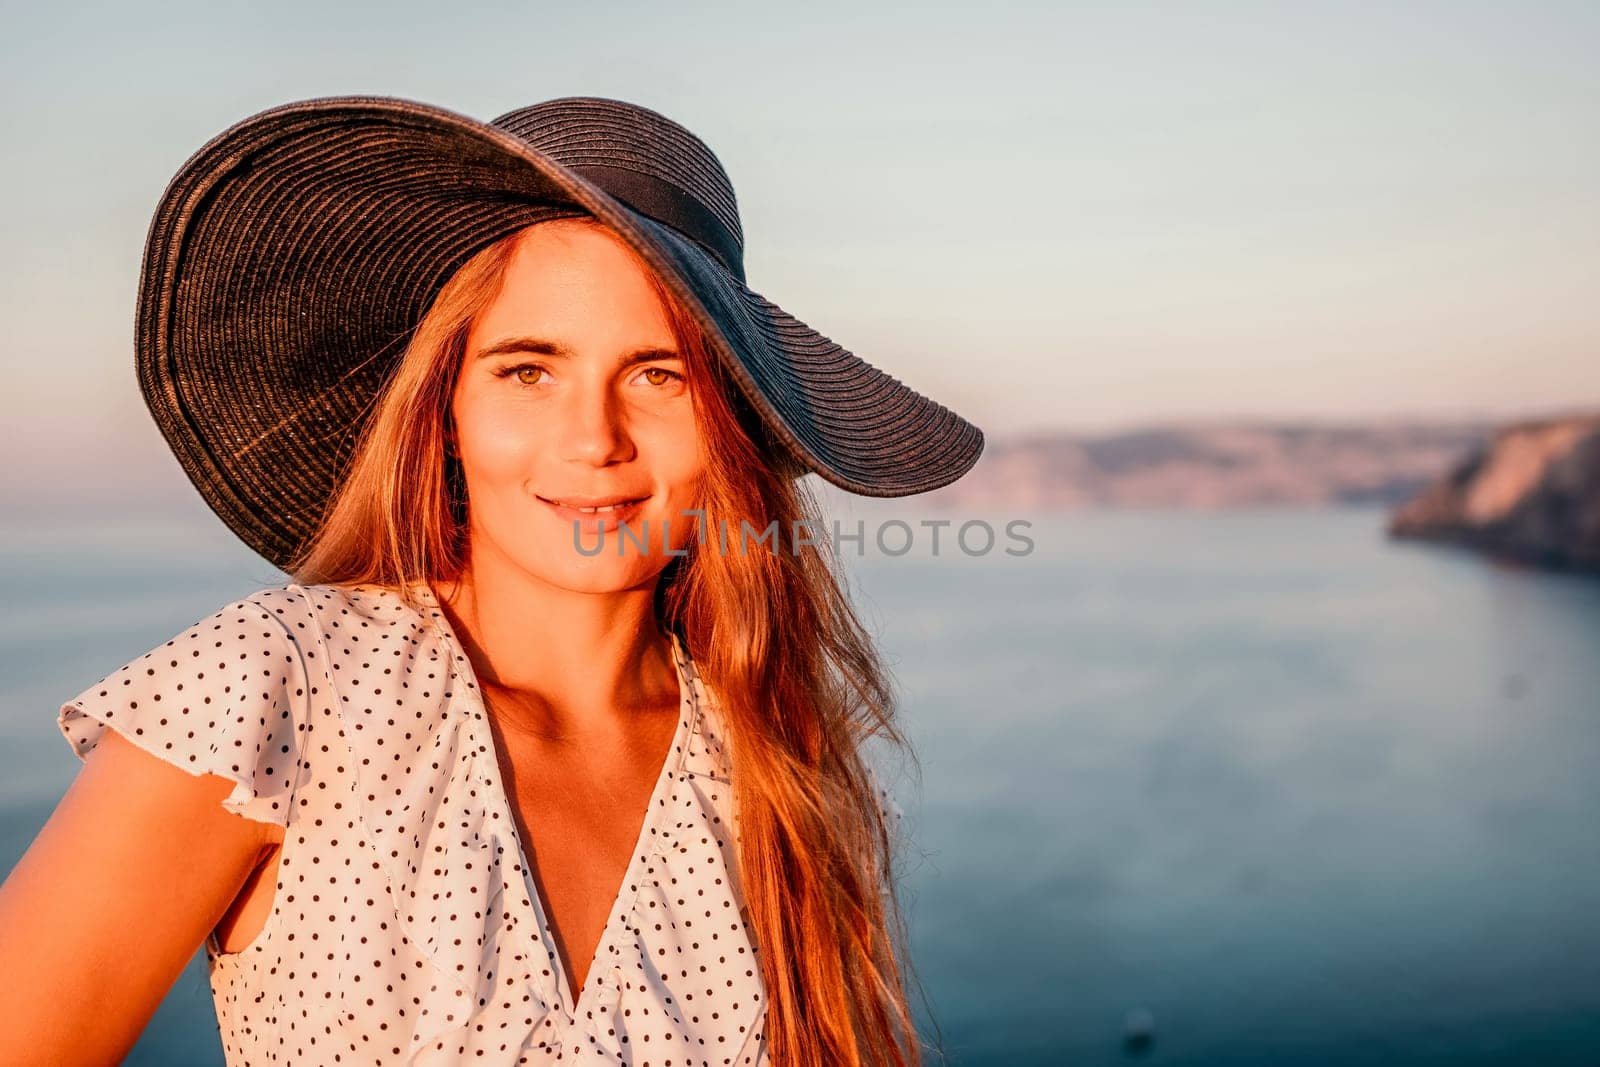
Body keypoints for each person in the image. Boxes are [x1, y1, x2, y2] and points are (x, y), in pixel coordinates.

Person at [0, 95, 984, 1066]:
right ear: (448, 408)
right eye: (528, 369)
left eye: (660, 374)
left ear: (726, 427)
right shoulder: (272, 687)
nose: (594, 439)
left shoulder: (776, 764)